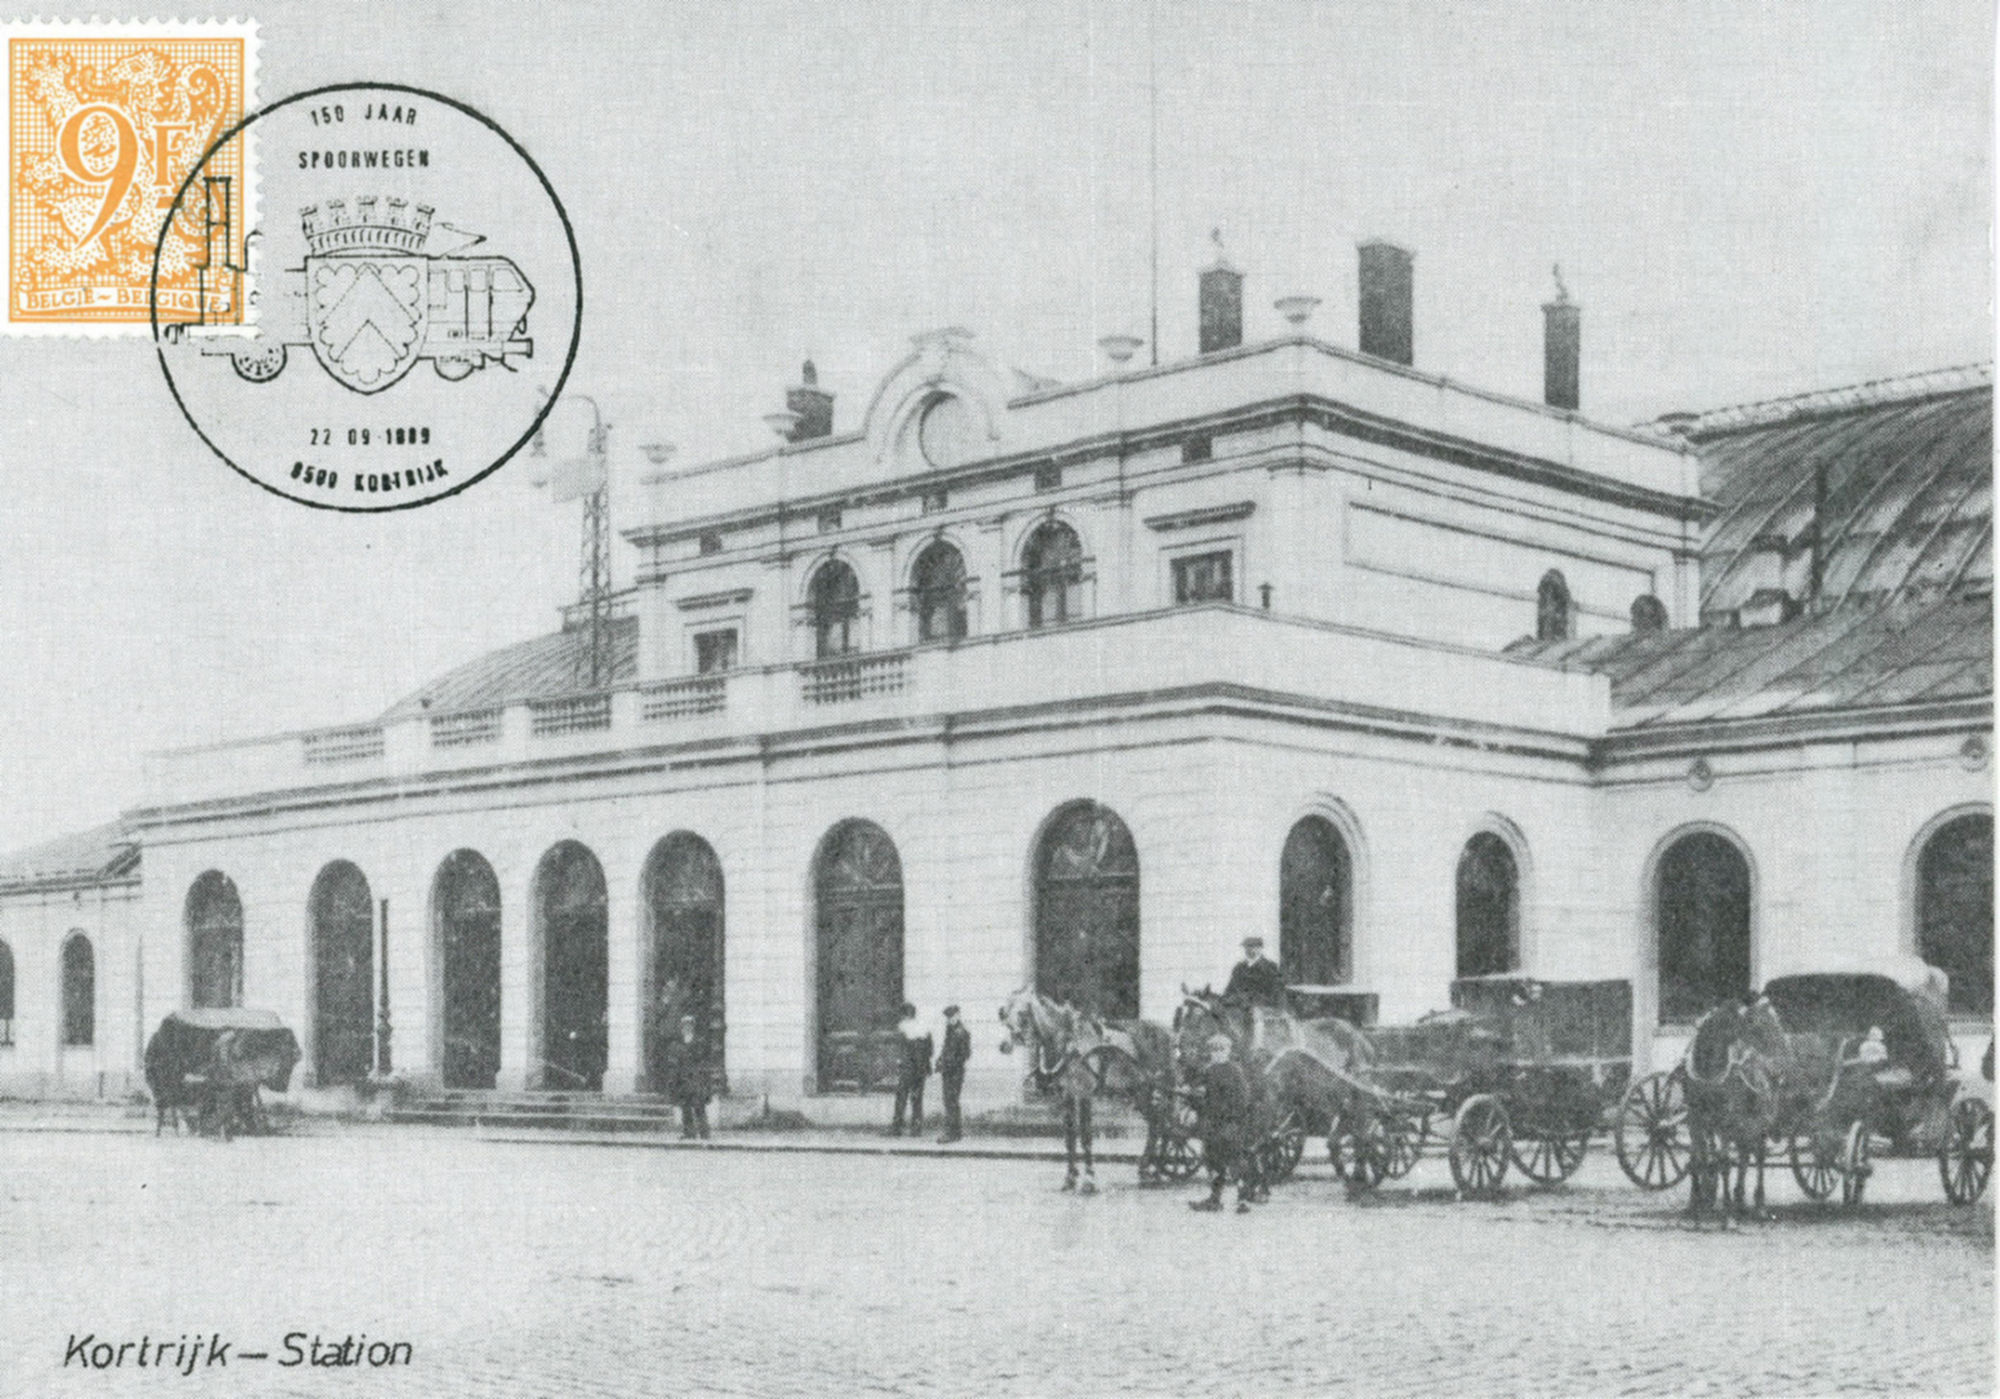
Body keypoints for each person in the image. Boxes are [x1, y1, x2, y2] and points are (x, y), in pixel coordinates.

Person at [1190, 1033, 1262, 1213]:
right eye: (1214, 1050)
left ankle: (1243, 1200)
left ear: (1228, 1051)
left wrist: (1227, 1114)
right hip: (1213, 1124)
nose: (1217, 1054)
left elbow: (1243, 1100)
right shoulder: (1208, 1071)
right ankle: (1215, 1199)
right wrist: (1194, 1097)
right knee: (1213, 1160)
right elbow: (1200, 1093)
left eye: (1221, 1050)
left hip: (1232, 1123)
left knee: (1235, 1161)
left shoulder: (1235, 1071)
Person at [661, 1014, 712, 1140]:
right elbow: (674, 1061)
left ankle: (704, 1133)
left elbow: (703, 1060)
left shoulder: (699, 1042)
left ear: (693, 1027)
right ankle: (689, 1133)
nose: (686, 1027)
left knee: (699, 1107)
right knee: (685, 1108)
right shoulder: (678, 1043)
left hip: (696, 1079)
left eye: (689, 1025)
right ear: (681, 1027)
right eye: (684, 1025)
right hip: (682, 1080)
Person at [891, 1003, 933, 1136]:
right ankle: (916, 1129)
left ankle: (897, 1128)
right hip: (921, 1069)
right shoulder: (924, 1029)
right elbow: (930, 1051)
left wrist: (900, 1063)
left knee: (901, 1097)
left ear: (904, 1015)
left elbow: (901, 1052)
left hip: (907, 1069)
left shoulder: (903, 1029)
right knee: (917, 1099)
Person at [936, 1004, 971, 1143]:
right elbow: (946, 1049)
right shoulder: (950, 1030)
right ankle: (955, 1132)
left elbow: (965, 1054)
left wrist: (949, 1063)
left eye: (951, 1016)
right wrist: (940, 1061)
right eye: (948, 1017)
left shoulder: (961, 1032)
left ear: (958, 1015)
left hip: (955, 1072)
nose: (949, 1019)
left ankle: (952, 1133)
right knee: (950, 1101)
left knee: (951, 1101)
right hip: (948, 1071)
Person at [1223, 936, 1286, 1009]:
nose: (1248, 950)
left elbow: (1277, 993)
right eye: (1246, 947)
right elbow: (1229, 990)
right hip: (1237, 1009)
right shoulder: (1239, 968)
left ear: (1260, 948)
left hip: (1260, 1009)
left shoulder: (1270, 967)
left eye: (1252, 947)